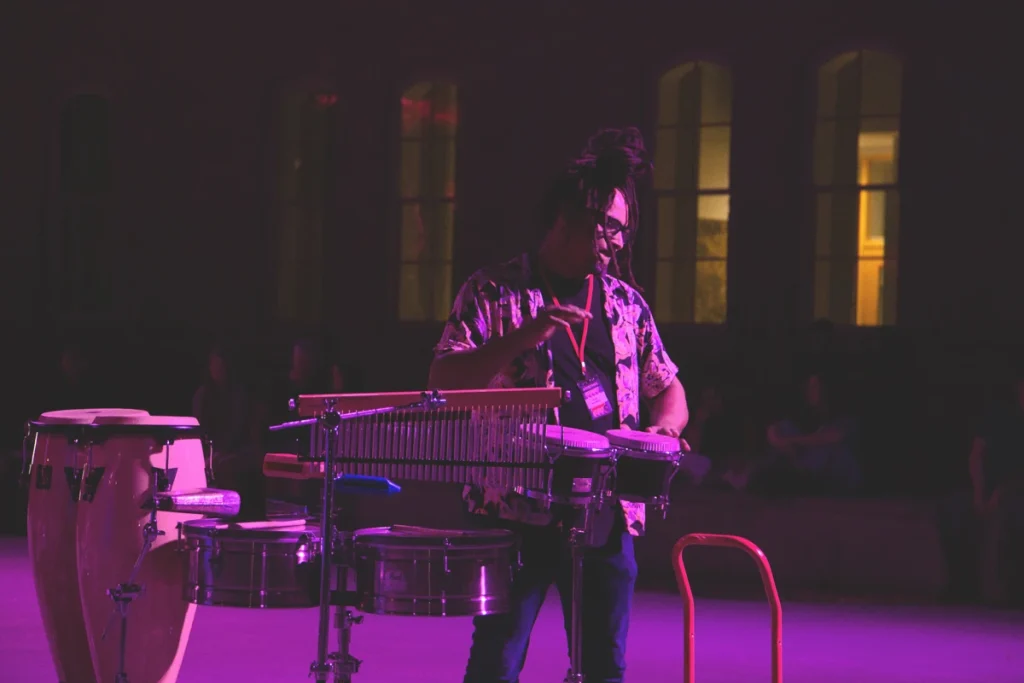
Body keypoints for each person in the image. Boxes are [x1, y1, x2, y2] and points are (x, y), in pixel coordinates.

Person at [429, 127, 688, 683]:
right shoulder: (492, 291)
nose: (618, 242)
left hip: (606, 512)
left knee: (603, 668)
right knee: (496, 662)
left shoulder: (625, 304)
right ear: (573, 215)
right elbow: (444, 379)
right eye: (611, 227)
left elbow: (667, 385)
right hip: (512, 511)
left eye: (624, 229)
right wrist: (523, 336)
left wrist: (665, 428)